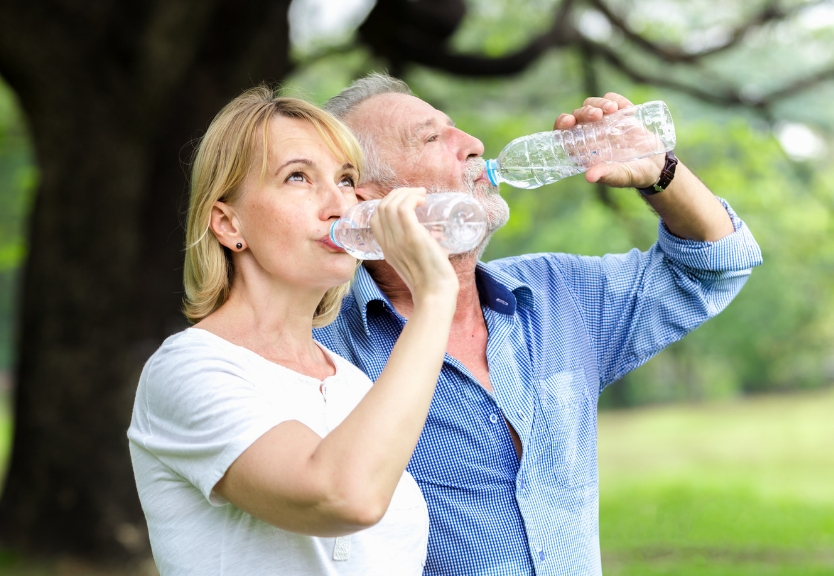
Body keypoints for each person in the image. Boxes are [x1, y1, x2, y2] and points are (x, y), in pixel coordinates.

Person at [315, 73, 763, 575]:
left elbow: (718, 263)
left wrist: (660, 171)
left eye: (456, 127)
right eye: (432, 138)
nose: (473, 145)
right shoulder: (320, 349)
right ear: (366, 199)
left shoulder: (556, 293)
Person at [127, 86, 461, 575]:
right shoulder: (187, 370)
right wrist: (433, 297)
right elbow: (344, 497)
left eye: (346, 180)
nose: (338, 205)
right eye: (299, 177)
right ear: (227, 223)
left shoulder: (351, 382)